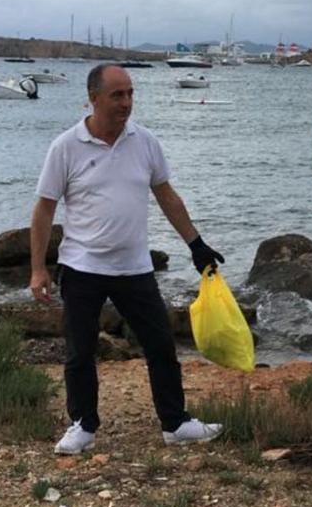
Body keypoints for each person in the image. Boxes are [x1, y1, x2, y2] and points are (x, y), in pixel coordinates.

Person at [30, 64, 226, 454]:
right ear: (94, 98)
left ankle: (176, 423)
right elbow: (44, 210)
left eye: (130, 94)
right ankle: (83, 424)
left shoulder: (145, 142)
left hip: (135, 267)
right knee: (80, 351)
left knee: (160, 345)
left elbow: (167, 196)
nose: (126, 103)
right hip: (82, 266)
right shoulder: (66, 146)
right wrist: (37, 268)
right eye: (118, 95)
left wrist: (196, 244)